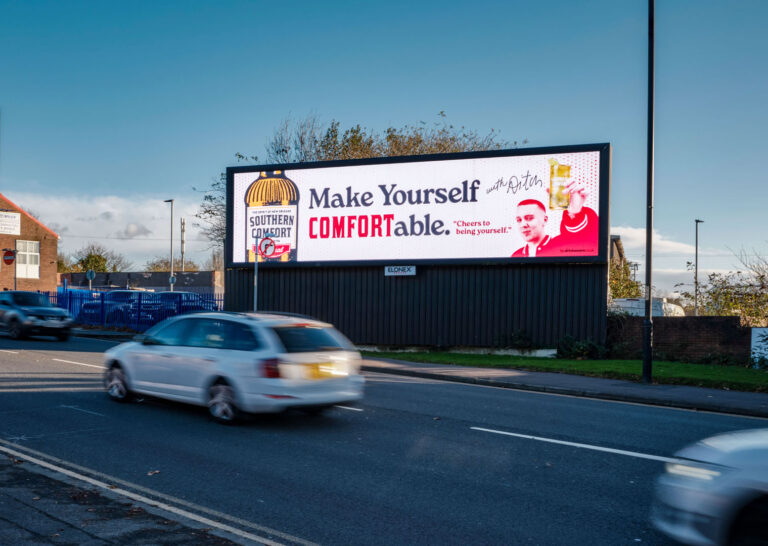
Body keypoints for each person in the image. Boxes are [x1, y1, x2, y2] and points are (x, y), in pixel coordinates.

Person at [511, 179, 598, 257]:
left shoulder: (562, 245)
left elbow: (589, 241)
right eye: (519, 220)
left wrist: (575, 212)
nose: (523, 224)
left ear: (545, 220)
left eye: (529, 218)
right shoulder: (516, 255)